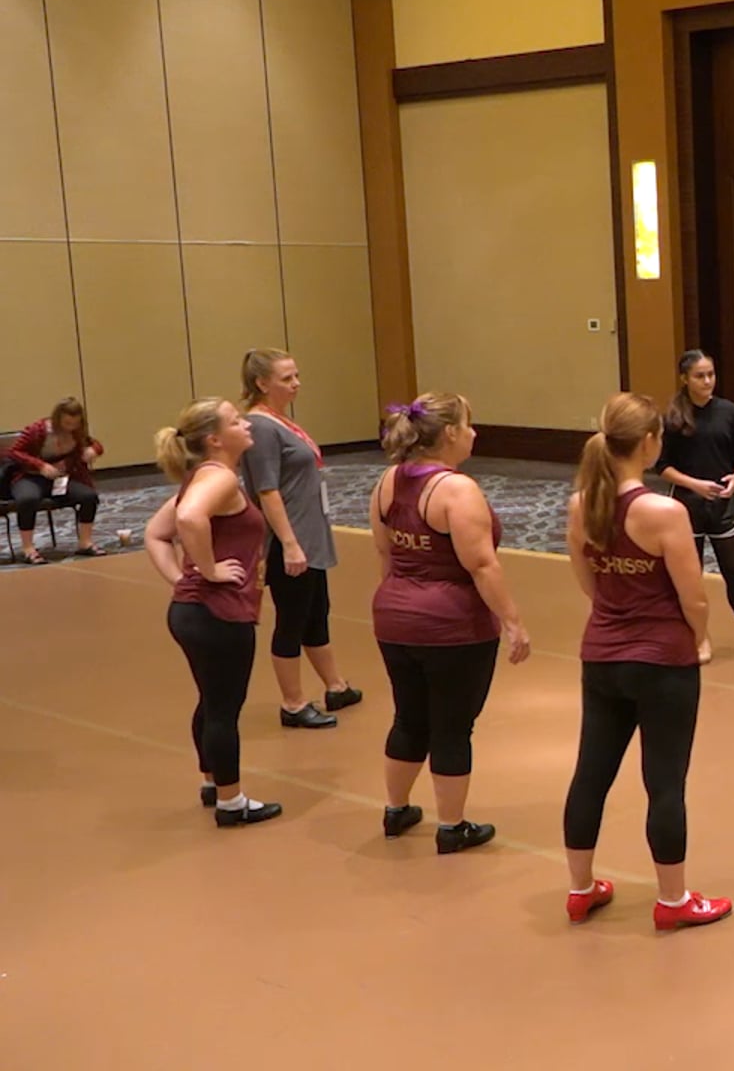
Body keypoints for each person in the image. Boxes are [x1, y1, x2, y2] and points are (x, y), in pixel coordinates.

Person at [559, 392, 732, 930]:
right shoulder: (664, 513)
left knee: (591, 774)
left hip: (602, 656)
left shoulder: (582, 505)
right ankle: (673, 900)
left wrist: (616, 612)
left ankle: (581, 888)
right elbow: (693, 597)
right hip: (662, 662)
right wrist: (697, 639)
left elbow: (586, 579)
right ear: (650, 443)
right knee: (665, 782)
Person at [368, 393, 531, 854]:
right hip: (452, 626)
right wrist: (513, 621)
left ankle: (396, 809)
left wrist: (397, 604)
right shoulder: (457, 490)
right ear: (451, 433)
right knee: (453, 726)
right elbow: (481, 565)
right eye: (469, 424)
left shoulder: (387, 481)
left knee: (408, 717)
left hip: (394, 617)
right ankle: (452, 826)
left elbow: (384, 551)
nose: (475, 433)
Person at [143, 397, 282, 826]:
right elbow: (188, 518)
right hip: (217, 614)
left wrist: (181, 580)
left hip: (191, 611)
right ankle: (231, 802)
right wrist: (208, 570)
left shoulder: (204, 476)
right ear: (215, 439)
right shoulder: (218, 477)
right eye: (236, 421)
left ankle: (212, 780)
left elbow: (155, 533)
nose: (247, 425)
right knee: (224, 708)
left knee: (211, 700)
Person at [239, 348, 358, 729]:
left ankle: (335, 686)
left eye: (297, 376)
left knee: (316, 612)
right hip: (289, 540)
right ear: (262, 383)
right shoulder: (260, 427)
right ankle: (292, 703)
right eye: (287, 378)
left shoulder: (281, 422)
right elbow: (267, 490)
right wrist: (289, 543)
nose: (296, 384)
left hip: (309, 535)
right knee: (291, 620)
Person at [656, 350, 734, 666]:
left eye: (711, 374)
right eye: (700, 376)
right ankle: (700, 639)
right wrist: (694, 485)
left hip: (723, 506)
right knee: (690, 578)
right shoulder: (673, 418)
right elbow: (662, 466)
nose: (707, 381)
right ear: (685, 379)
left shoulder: (729, 412)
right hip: (686, 508)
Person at [6, 397, 105, 564]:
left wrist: (94, 450)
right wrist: (40, 465)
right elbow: (14, 452)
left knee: (89, 496)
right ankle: (28, 548)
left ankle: (85, 542)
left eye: (75, 424)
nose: (71, 427)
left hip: (59, 478)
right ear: (57, 419)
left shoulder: (77, 432)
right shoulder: (38, 430)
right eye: (67, 423)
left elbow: (95, 444)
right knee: (28, 499)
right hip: (31, 476)